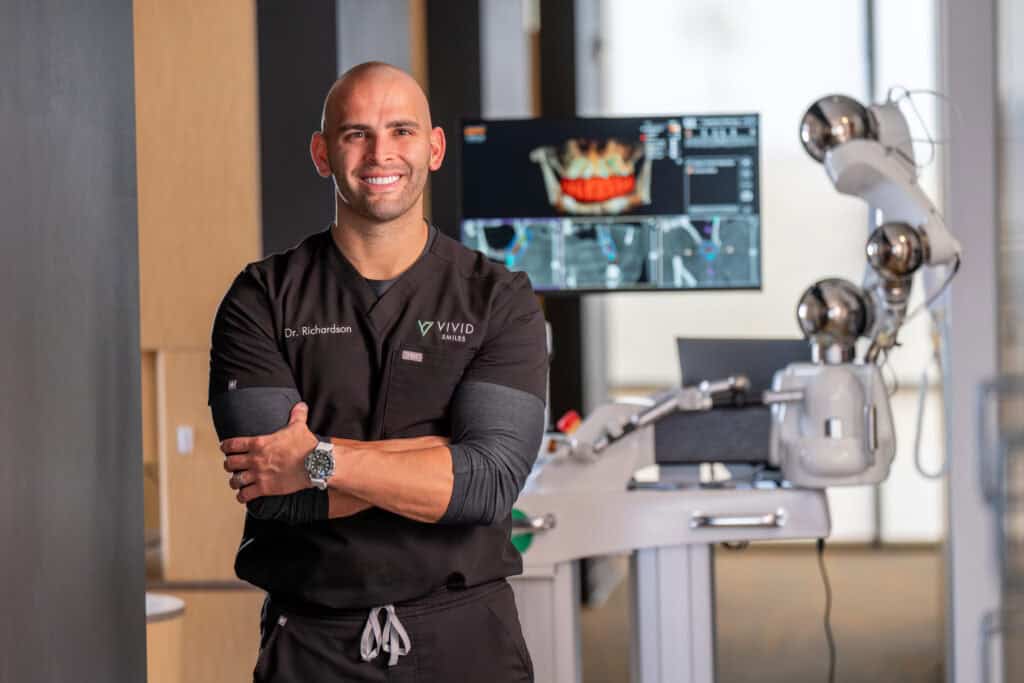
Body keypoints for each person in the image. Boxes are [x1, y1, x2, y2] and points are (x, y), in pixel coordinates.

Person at [208, 62, 548, 682]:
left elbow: (488, 484)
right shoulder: (262, 298)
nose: (380, 153)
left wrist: (319, 459)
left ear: (435, 148)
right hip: (312, 645)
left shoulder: (498, 297)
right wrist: (436, 459)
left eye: (401, 131)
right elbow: (273, 493)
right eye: (355, 133)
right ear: (322, 152)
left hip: (466, 638)